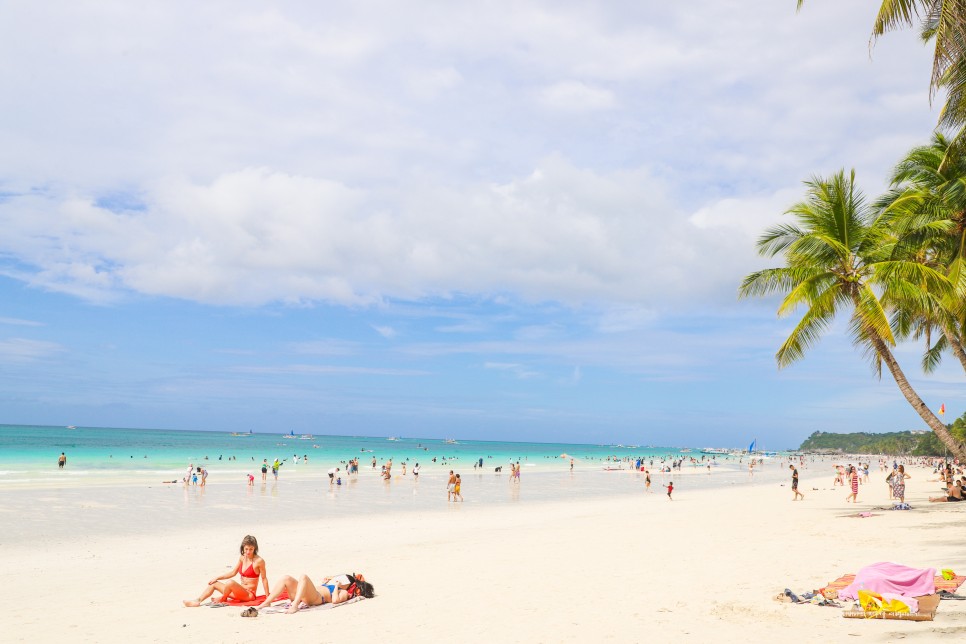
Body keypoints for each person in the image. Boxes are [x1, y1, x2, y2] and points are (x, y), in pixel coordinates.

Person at [183, 535, 268, 606]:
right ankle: (197, 601)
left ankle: (223, 598)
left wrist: (268, 599)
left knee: (230, 582)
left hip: (249, 595)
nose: (248, 551)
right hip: (238, 592)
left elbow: (264, 579)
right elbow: (233, 573)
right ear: (243, 547)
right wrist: (217, 577)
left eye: (251, 549)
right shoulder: (242, 558)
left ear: (255, 548)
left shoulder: (259, 561)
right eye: (246, 549)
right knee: (214, 584)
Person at [255, 573, 375, 614]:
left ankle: (295, 605)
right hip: (307, 595)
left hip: (317, 598)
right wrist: (327, 583)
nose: (338, 579)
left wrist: (337, 587)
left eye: (342, 579)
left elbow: (334, 601)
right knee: (286, 578)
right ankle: (266, 603)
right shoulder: (331, 584)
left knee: (304, 577)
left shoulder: (343, 592)